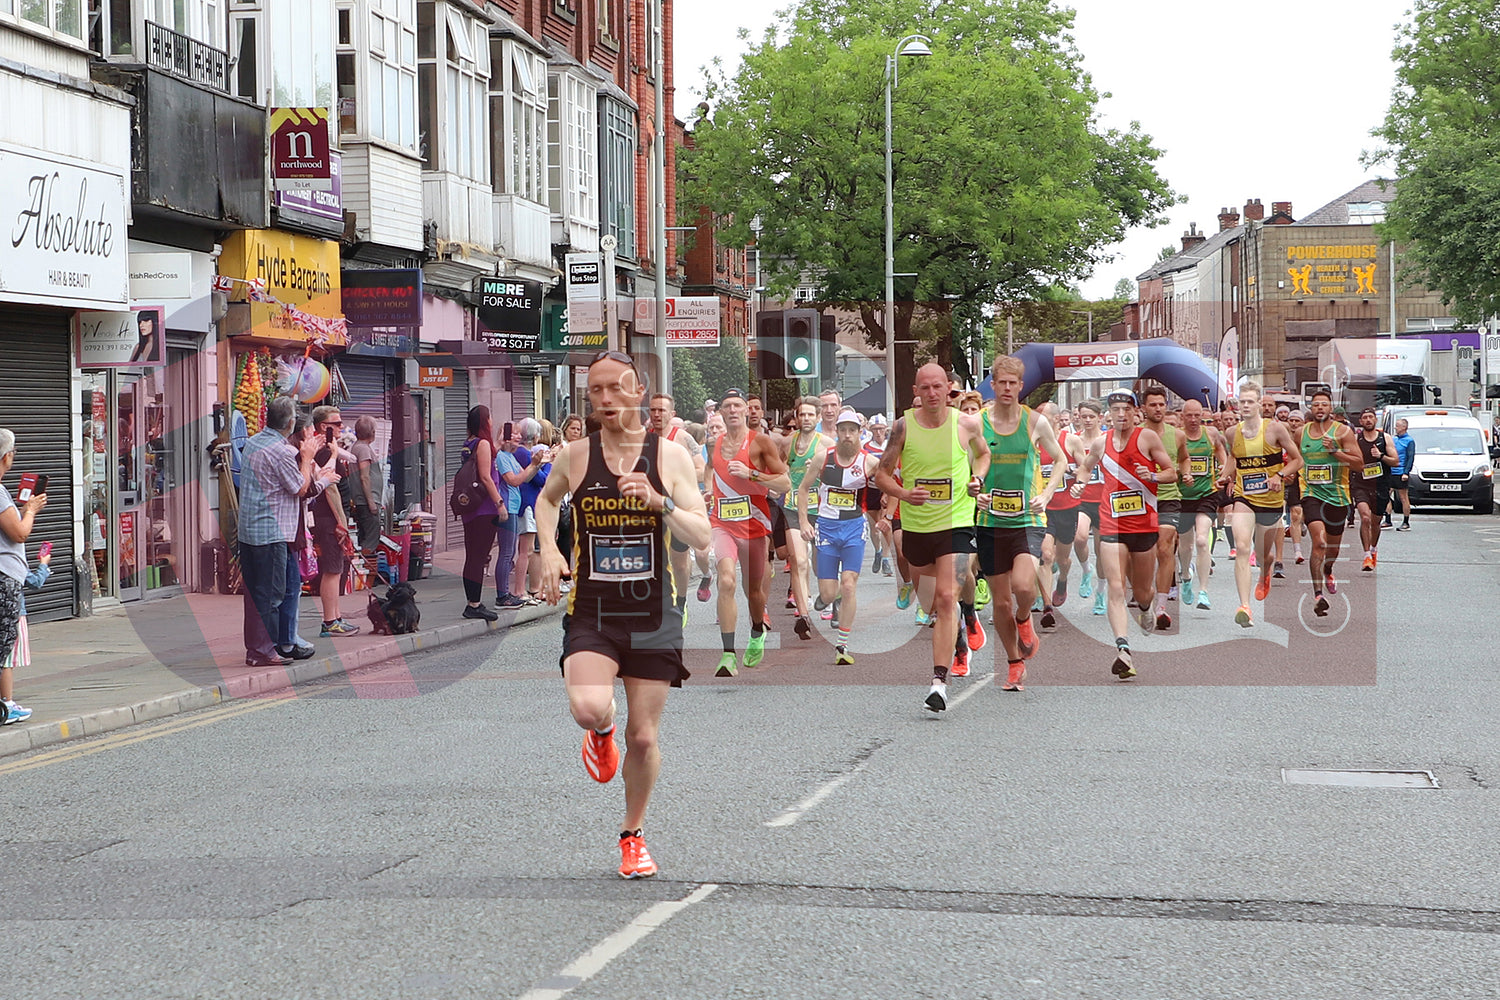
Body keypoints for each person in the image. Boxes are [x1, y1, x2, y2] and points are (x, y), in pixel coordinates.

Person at [534, 350, 712, 880]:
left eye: (616, 388)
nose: (606, 399)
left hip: (654, 610)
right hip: (592, 607)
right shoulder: (575, 455)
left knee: (645, 737)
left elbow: (701, 535)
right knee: (589, 708)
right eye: (595, 391)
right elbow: (546, 502)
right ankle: (601, 730)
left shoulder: (670, 458)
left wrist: (660, 503)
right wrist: (548, 548)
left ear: (639, 394)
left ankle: (632, 835)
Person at [873, 363, 988, 712]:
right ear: (916, 391)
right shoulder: (903, 427)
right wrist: (903, 494)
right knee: (931, 605)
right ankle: (960, 634)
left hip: (956, 522)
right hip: (917, 526)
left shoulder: (966, 423)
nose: (933, 393)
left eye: (939, 386)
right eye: (926, 388)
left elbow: (983, 455)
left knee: (946, 595)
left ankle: (939, 682)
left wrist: (977, 479)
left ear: (948, 388)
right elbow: (881, 474)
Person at [976, 360, 1067, 691]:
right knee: (1000, 602)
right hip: (989, 521)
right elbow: (962, 464)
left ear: (1021, 386)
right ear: (994, 384)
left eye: (1013, 383)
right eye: (1001, 382)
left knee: (1024, 587)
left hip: (1027, 518)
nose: (1007, 389)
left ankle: (1025, 617)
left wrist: (1046, 493)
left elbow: (1061, 460)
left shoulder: (1035, 421)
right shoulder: (977, 423)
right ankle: (1014, 663)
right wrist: (974, 491)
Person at [1073, 390, 1175, 679]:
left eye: (1126, 409)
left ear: (1135, 412)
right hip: (1111, 524)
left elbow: (1171, 472)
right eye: (1115, 409)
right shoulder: (1100, 443)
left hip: (1143, 525)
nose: (1121, 414)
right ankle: (1123, 649)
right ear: (1109, 413)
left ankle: (1145, 608)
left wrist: (1152, 475)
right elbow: (1085, 468)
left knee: (1142, 591)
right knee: (1116, 588)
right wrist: (1079, 484)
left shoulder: (1147, 438)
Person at [237, 397, 336, 665]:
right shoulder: (280, 452)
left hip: (250, 531)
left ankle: (267, 646)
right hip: (271, 532)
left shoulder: (255, 441)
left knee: (259, 592)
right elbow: (302, 489)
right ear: (291, 423)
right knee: (270, 594)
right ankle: (262, 651)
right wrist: (307, 459)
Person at [706, 389, 790, 675]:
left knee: (755, 592)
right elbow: (710, 469)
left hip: (754, 523)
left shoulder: (761, 443)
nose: (732, 410)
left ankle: (757, 630)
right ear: (720, 411)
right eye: (726, 405)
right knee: (726, 581)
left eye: (737, 406)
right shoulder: (713, 443)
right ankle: (728, 653)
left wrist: (752, 474)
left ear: (746, 411)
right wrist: (708, 490)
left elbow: (784, 484)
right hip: (722, 523)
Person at [797, 409, 878, 663]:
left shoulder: (869, 462)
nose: (846, 435)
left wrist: (887, 516)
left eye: (852, 430)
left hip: (854, 528)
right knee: (830, 592)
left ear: (858, 433)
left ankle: (842, 646)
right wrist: (803, 522)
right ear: (837, 432)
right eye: (842, 430)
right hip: (827, 529)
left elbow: (890, 485)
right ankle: (827, 599)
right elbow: (803, 488)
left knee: (849, 584)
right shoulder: (823, 457)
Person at [1219, 381, 1303, 627]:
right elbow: (1234, 458)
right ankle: (1244, 606)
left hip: (1271, 499)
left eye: (1249, 401)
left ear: (1258, 404)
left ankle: (1265, 572)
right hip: (1243, 496)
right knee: (1243, 549)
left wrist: (1278, 476)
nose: (1245, 405)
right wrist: (1224, 475)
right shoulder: (1232, 433)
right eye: (1241, 402)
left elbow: (1297, 461)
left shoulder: (1275, 429)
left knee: (1265, 554)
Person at [1299, 389, 1360, 616]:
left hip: (1337, 497)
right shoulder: (1301, 433)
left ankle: (1328, 568)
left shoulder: (1343, 432)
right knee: (1320, 543)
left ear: (1330, 408)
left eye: (1324, 404)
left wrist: (1336, 452)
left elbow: (1358, 464)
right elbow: (1295, 460)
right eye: (1316, 405)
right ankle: (1318, 595)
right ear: (1311, 408)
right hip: (1311, 495)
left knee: (1331, 549)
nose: (1320, 408)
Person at [0, 428, 46, 724]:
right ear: (6, 456)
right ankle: (6, 704)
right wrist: (29, 510)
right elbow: (19, 534)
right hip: (4, 577)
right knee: (4, 643)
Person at [1137, 387, 1189, 630]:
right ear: (1143, 408)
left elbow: (1184, 457)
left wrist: (1185, 471)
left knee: (1165, 547)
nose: (1158, 408)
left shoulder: (1177, 435)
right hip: (1141, 500)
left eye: (1161, 404)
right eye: (1153, 405)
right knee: (1140, 555)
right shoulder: (1135, 435)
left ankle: (1161, 607)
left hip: (1168, 496)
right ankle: (1144, 597)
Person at [1033, 401, 1085, 633]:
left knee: (1062, 559)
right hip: (1043, 508)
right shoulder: (1033, 443)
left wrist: (1074, 478)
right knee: (1045, 555)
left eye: (1041, 418)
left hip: (1067, 507)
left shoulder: (1071, 441)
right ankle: (1046, 607)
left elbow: (1086, 469)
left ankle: (1062, 579)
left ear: (1054, 419)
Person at [311, 406, 360, 637]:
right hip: (328, 519)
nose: (341, 427)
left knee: (337, 569)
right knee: (331, 569)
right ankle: (330, 621)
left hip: (332, 519)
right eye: (336, 423)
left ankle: (336, 617)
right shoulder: (322, 452)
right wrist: (342, 523)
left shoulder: (329, 449)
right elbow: (330, 490)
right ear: (323, 427)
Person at [1174, 398, 1228, 611]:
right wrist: (1182, 473)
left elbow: (1223, 457)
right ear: (1182, 416)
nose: (1194, 420)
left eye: (1198, 416)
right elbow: (1167, 463)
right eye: (1190, 415)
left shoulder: (1211, 434)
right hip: (1182, 497)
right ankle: (1186, 575)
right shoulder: (1177, 437)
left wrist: (1224, 475)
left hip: (1207, 494)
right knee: (1185, 546)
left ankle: (1203, 591)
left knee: (1202, 541)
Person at [781, 397, 828, 640]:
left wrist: (820, 467)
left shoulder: (827, 444)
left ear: (818, 418)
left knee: (821, 564)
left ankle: (831, 597)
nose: (806, 418)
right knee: (798, 560)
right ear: (797, 418)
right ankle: (803, 616)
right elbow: (779, 468)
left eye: (811, 415)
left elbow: (840, 474)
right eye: (802, 415)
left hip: (821, 510)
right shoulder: (787, 443)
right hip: (792, 507)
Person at [458, 406, 507, 620]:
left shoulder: (470, 443)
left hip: (471, 507)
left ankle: (472, 601)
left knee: (472, 555)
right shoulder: (483, 444)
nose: (492, 420)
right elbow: (486, 477)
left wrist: (497, 442)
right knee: (479, 556)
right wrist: (499, 503)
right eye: (490, 417)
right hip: (485, 508)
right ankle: (474, 604)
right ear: (485, 421)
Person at [1350, 407, 1398, 571]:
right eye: (1365, 418)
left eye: (1371, 417)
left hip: (1381, 485)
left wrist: (1381, 456)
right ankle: (1366, 556)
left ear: (1375, 420)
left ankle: (1373, 549)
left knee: (1375, 523)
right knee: (1364, 518)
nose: (1368, 420)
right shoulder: (1356, 439)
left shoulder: (1385, 438)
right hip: (1361, 485)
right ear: (1361, 421)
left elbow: (1395, 461)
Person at [510, 418, 551, 603]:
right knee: (526, 550)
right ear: (535, 436)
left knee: (525, 549)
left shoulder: (517, 453)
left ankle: (526, 590)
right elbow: (541, 479)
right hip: (527, 504)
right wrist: (548, 463)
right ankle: (523, 591)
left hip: (523, 503)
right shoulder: (525, 454)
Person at [348, 415, 384, 558]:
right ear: (372, 432)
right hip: (367, 501)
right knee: (370, 538)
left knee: (367, 535)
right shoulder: (363, 449)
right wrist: (371, 502)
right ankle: (367, 571)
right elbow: (364, 476)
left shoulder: (359, 447)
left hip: (364, 500)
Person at [861, 414, 893, 575]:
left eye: (881, 429)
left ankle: (886, 559)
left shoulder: (892, 445)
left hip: (888, 488)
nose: (878, 433)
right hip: (871, 489)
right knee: (874, 527)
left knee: (886, 524)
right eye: (875, 430)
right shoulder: (865, 446)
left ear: (886, 429)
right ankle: (878, 550)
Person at [1388, 418, 1415, 530]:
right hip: (1391, 471)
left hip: (1401, 472)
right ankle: (1388, 519)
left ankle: (1406, 521)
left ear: (1404, 427)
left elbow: (1410, 457)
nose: (1395, 428)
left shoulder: (1409, 441)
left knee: (1403, 497)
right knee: (1385, 495)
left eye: (1398, 426)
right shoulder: (1393, 439)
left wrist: (1406, 472)